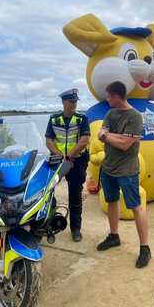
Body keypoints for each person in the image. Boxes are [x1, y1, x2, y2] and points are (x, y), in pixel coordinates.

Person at [97, 81, 151, 268]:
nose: (107, 98)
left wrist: (108, 136)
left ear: (117, 96)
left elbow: (124, 144)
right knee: (112, 201)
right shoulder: (110, 113)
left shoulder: (135, 117)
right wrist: (111, 136)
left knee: (136, 207)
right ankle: (114, 236)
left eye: (109, 95)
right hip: (108, 168)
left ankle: (145, 248)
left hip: (127, 171)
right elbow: (100, 134)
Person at [45, 88, 90, 242]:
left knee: (75, 196)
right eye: (71, 102)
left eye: (75, 102)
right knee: (47, 193)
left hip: (76, 162)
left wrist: (70, 155)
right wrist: (59, 155)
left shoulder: (81, 119)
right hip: (58, 161)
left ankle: (76, 229)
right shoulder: (53, 119)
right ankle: (48, 224)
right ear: (64, 102)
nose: (74, 104)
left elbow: (84, 140)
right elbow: (49, 141)